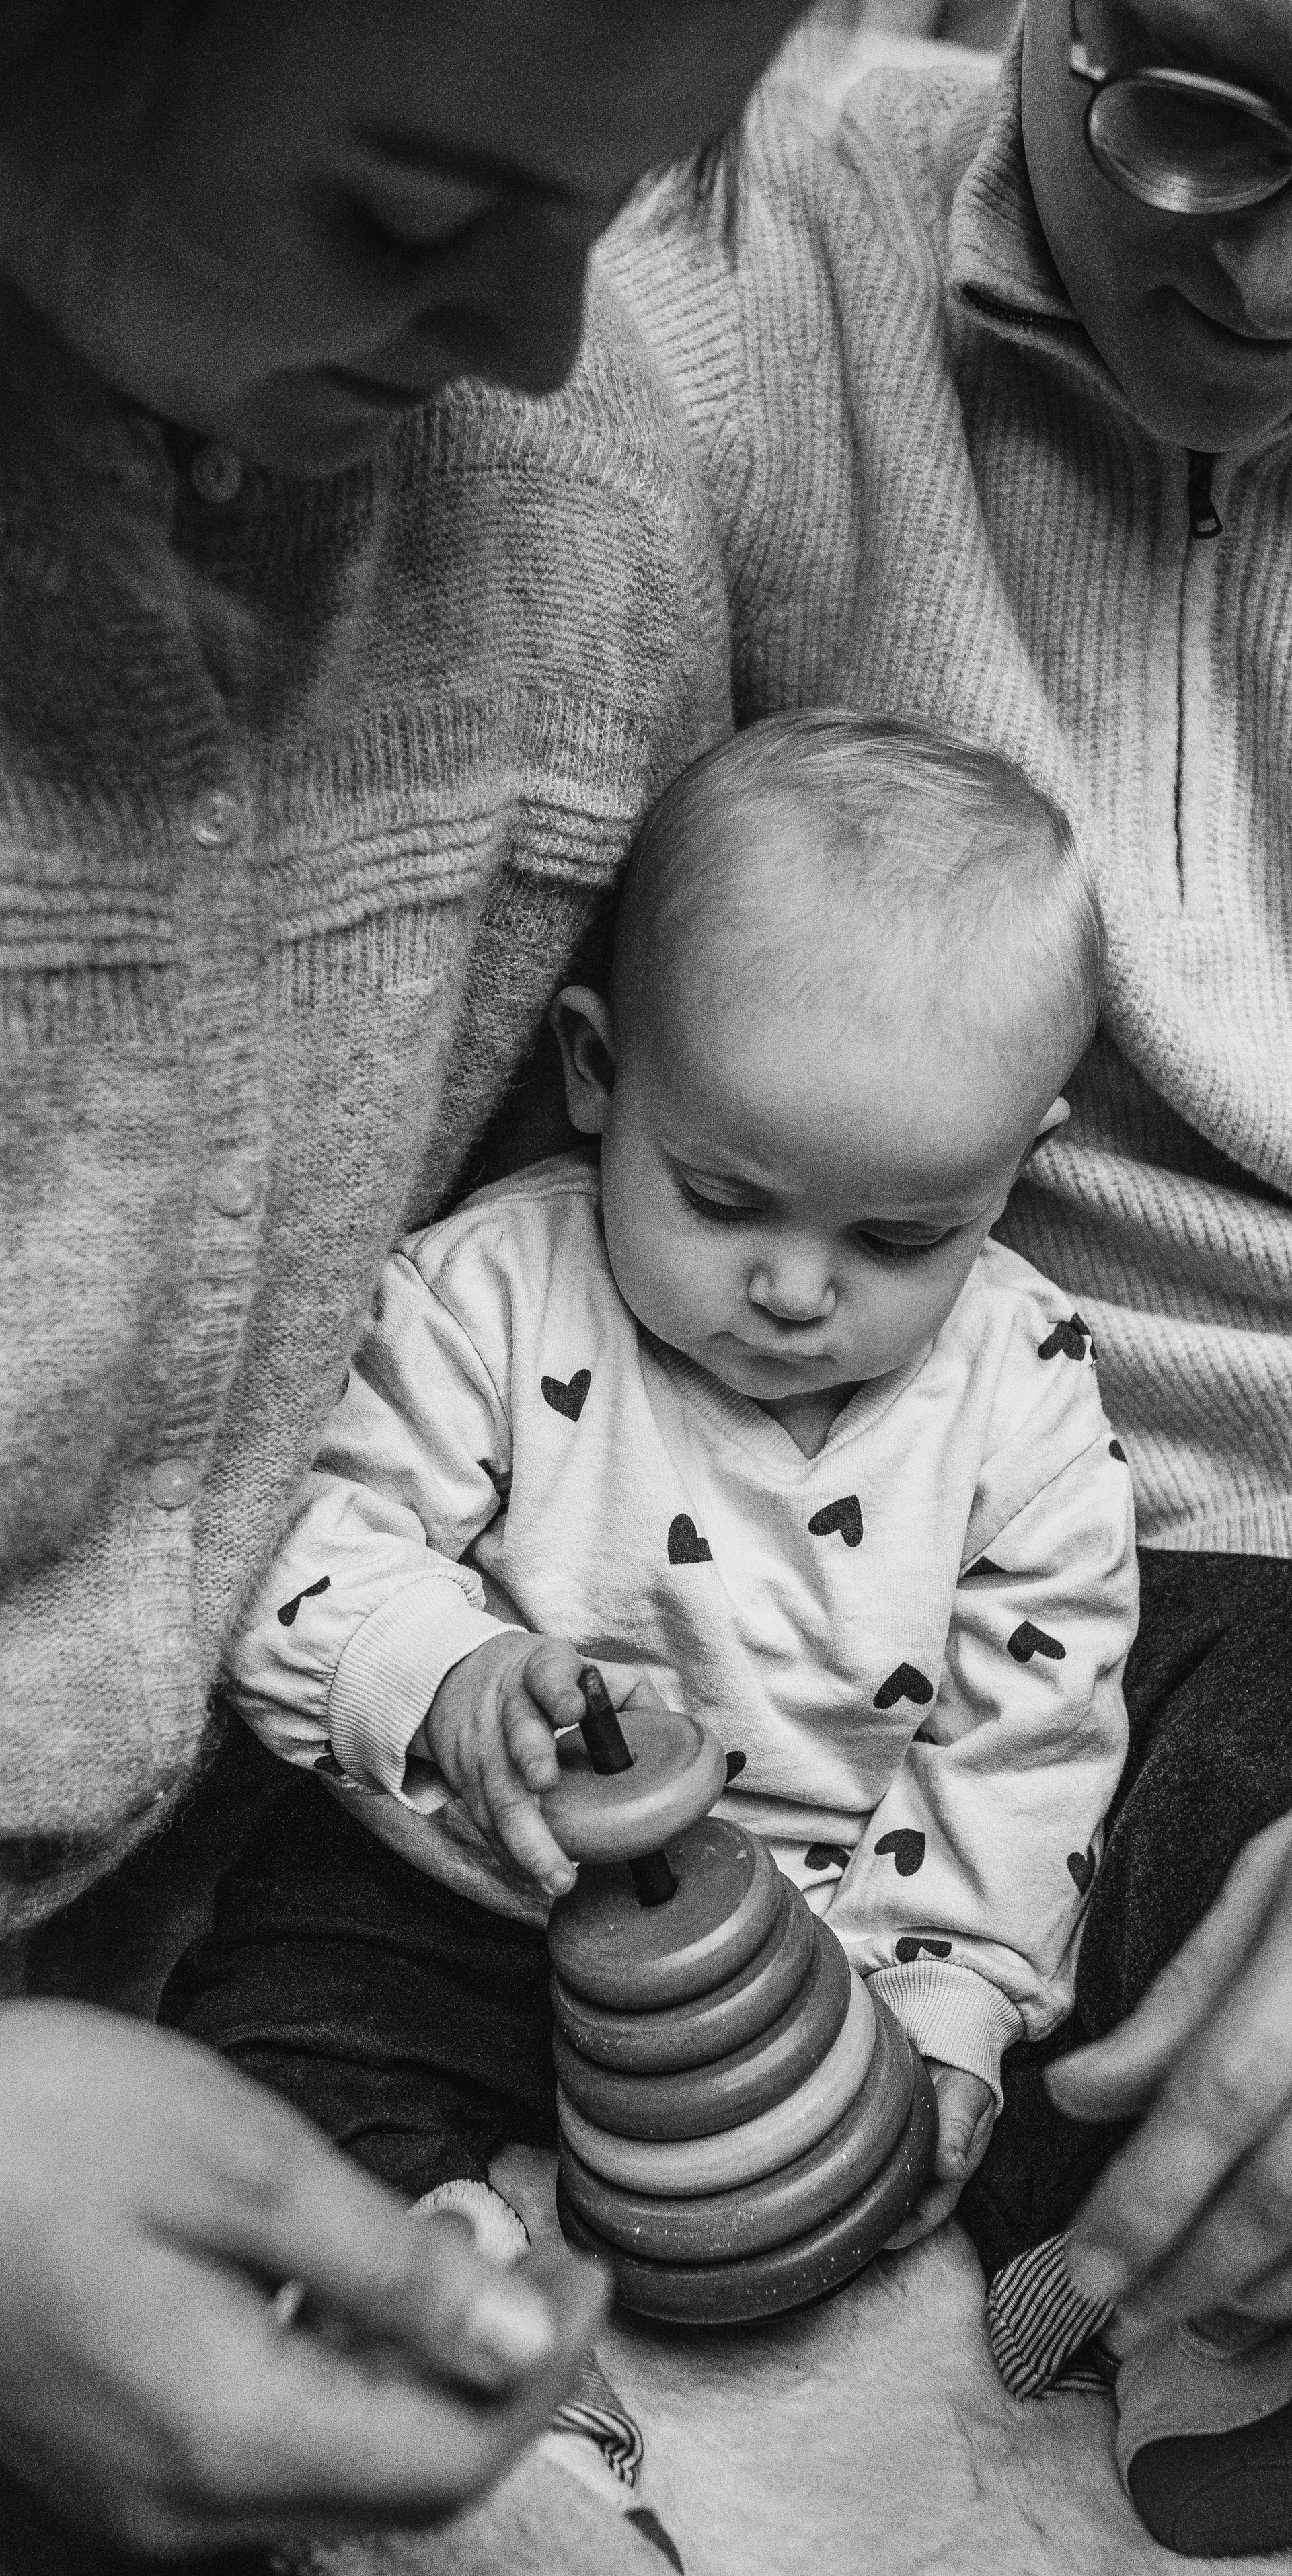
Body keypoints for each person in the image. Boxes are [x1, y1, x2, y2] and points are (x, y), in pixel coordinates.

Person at [605, 0, 1292, 2562]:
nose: (1289, 282)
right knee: (1283, 1888)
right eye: (1197, 119)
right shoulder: (721, 255)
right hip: (1053, 1558)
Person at [0, 1, 810, 2573]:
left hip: (260, 1946)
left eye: (625, 198)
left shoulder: (583, 517)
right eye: (406, 212)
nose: (536, 340)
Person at [165, 707, 1137, 2294]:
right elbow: (295, 1547)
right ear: (599, 1071)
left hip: (829, 1930)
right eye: (722, 1199)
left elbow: (1027, 1732)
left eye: (897, 1239)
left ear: (1012, 1171)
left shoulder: (1019, 1388)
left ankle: (1114, 2306)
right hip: (483, 1893)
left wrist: (943, 1994)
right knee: (269, 2017)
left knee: (1074, 2078)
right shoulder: (490, 1296)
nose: (794, 1292)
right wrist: (454, 1678)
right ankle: (416, 2272)